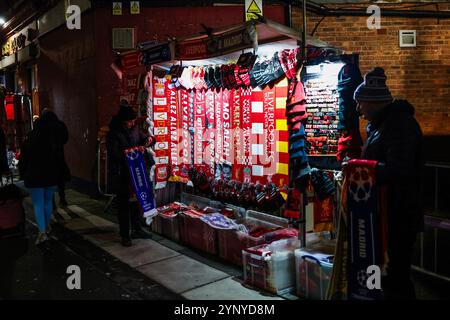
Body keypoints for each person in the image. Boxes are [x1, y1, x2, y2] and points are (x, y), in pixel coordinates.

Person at [353, 67, 424, 299]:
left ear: (373, 103)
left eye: (360, 103)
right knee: (385, 268)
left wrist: (359, 168)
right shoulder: (381, 126)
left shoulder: (399, 125)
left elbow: (398, 169)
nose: (358, 109)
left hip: (400, 212)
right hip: (384, 211)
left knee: (398, 273)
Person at [18, 110, 69, 244]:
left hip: (34, 176)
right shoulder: (52, 141)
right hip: (50, 175)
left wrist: (22, 173)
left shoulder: (30, 140)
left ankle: (42, 231)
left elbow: (23, 160)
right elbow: (59, 158)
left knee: (38, 204)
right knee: (47, 202)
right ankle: (47, 226)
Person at [107, 104, 153, 247]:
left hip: (136, 173)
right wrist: (131, 151)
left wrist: (149, 141)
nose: (132, 123)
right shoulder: (114, 133)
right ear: (122, 121)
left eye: (133, 121)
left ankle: (137, 229)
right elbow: (114, 155)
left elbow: (144, 139)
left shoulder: (135, 129)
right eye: (130, 121)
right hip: (122, 173)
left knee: (135, 202)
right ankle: (125, 235)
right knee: (123, 205)